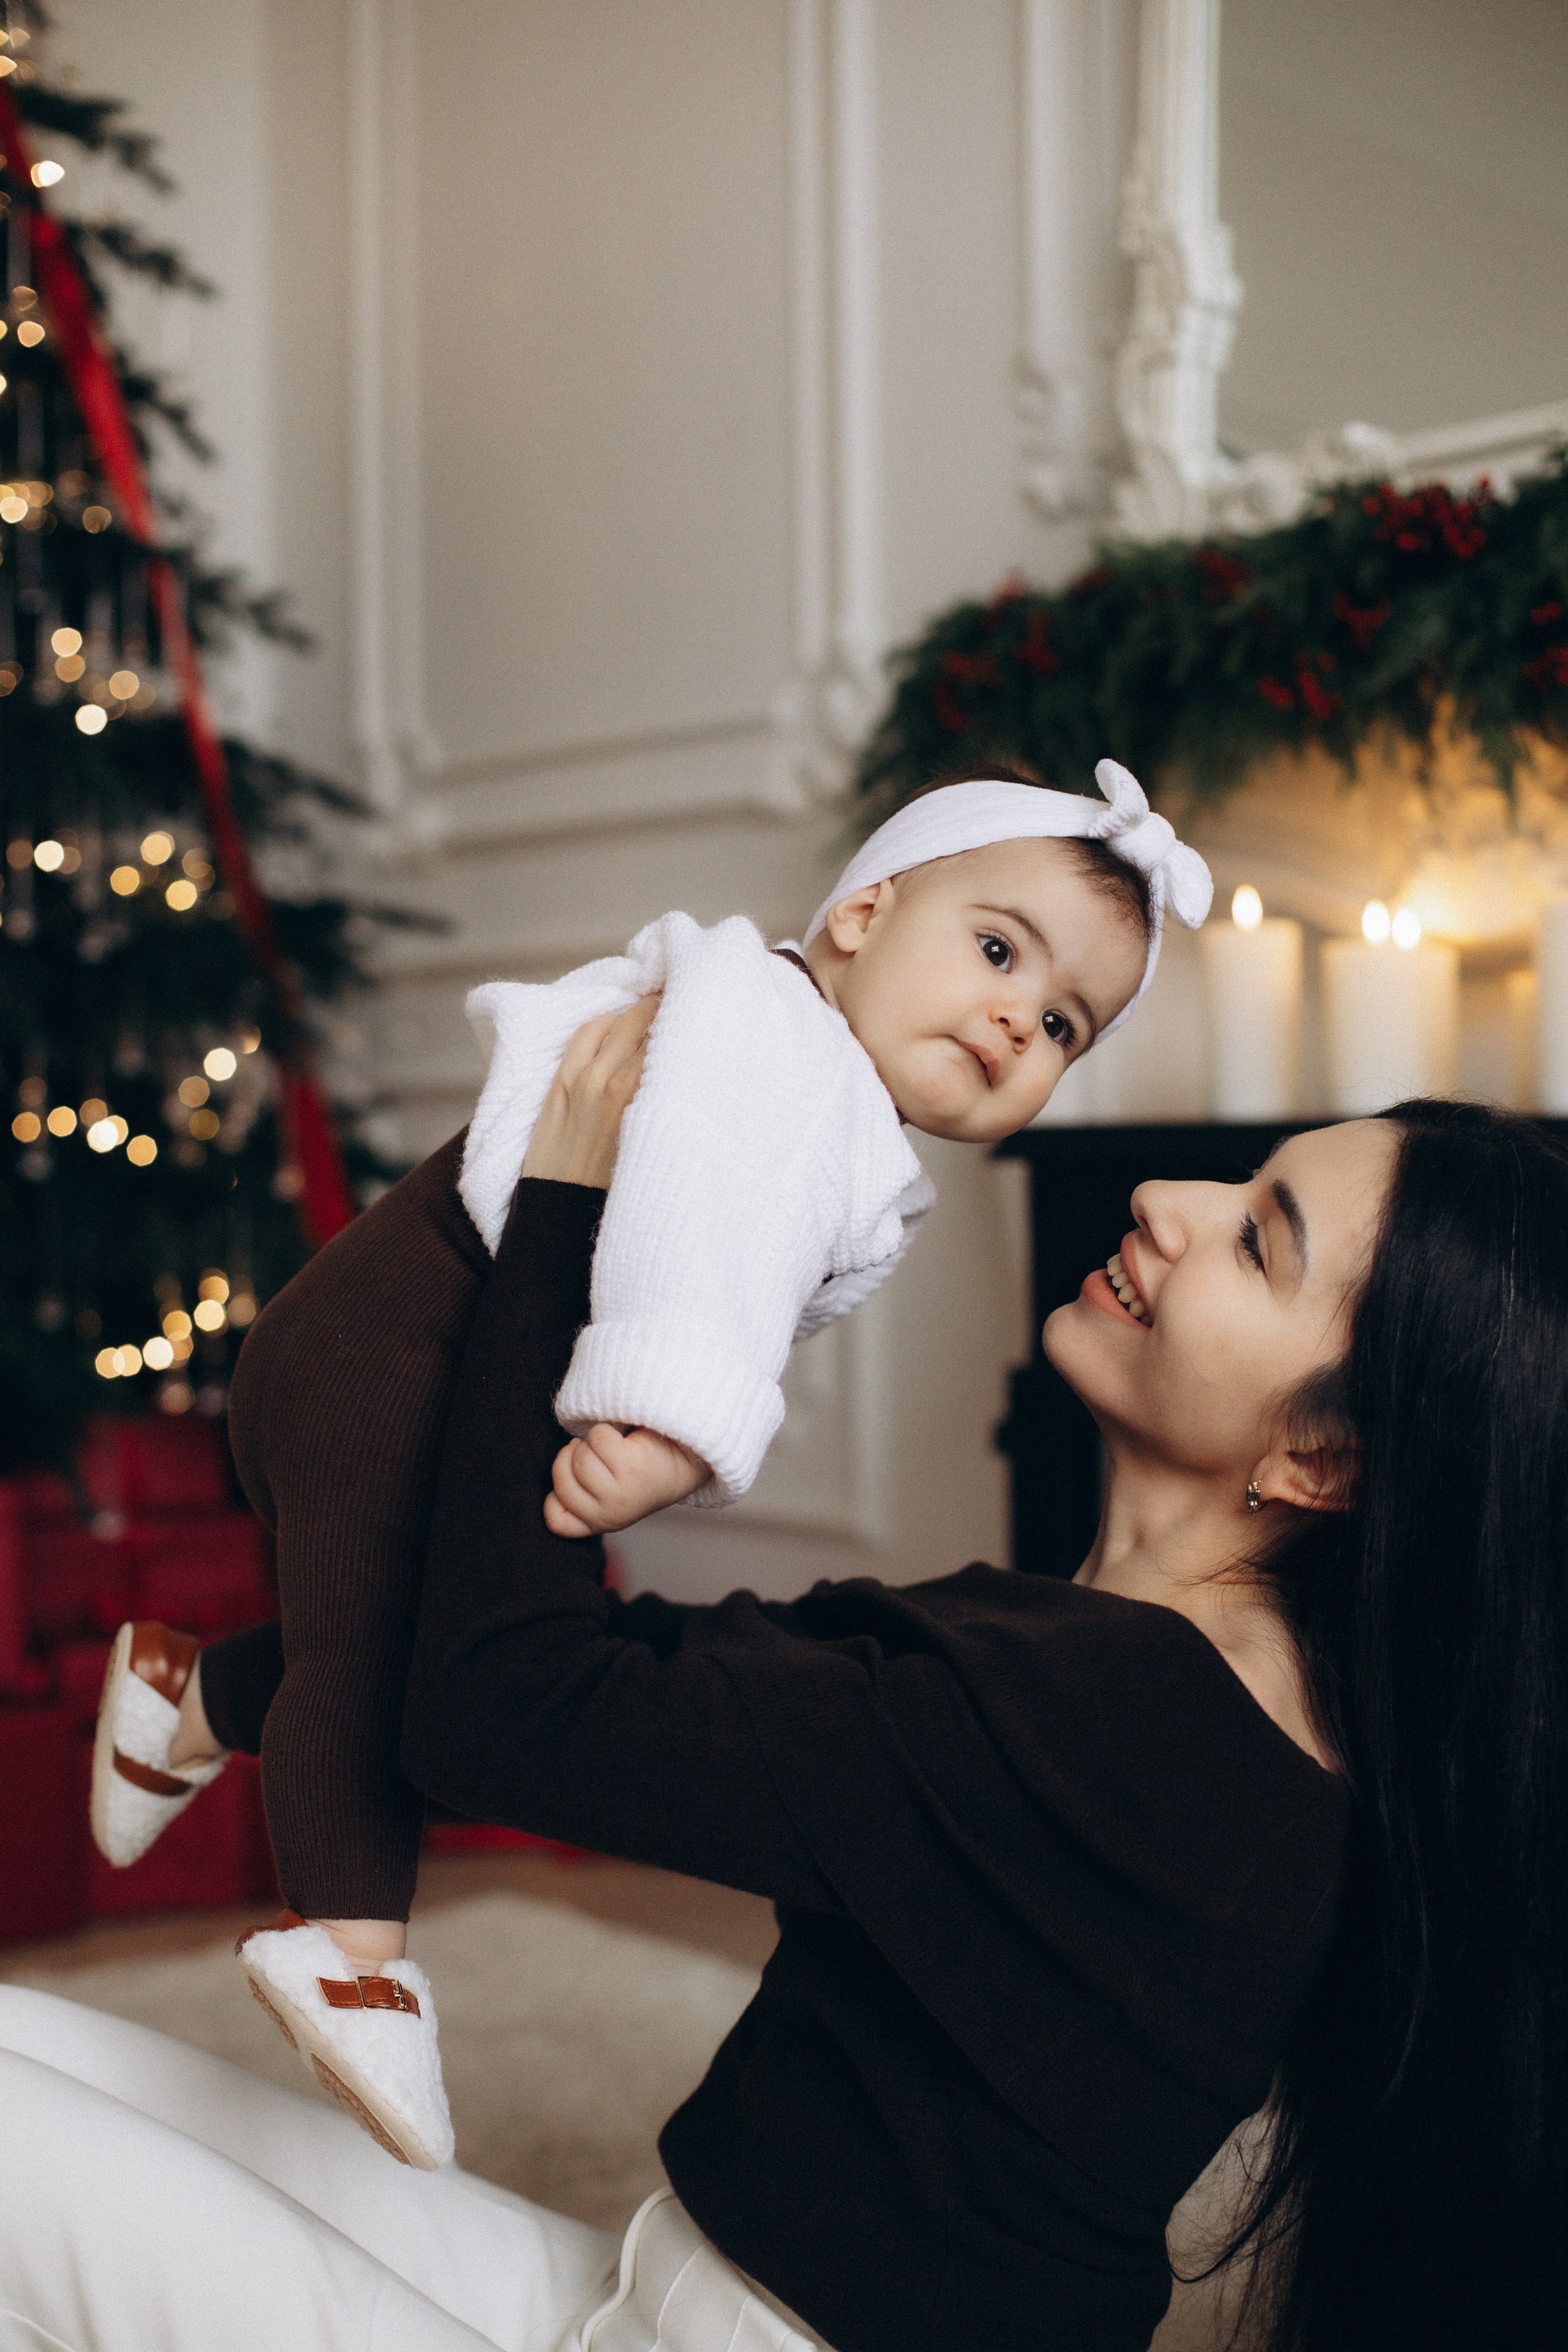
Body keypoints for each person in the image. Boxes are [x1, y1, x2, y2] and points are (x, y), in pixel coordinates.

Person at [20, 1017, 1561, 2350]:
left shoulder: (1123, 1724)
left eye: (1257, 1241)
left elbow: (498, 1703)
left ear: (1325, 1456)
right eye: (1236, 1183)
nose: (1167, 1201)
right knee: (33, 2049)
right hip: (656, 2302)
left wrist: (569, 1202)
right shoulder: (1123, 1679)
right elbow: (610, 1682)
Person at [86, 762, 1212, 2168]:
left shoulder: (822, 1081)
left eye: (1059, 1026)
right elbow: (688, 1212)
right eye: (996, 951)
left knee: (417, 1641)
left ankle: (186, 1694)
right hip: (385, 1352)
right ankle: (351, 1953)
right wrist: (672, 1417)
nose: (1014, 1019)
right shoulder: (769, 1046)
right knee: (369, 1653)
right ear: (862, 912)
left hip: (440, 1353)